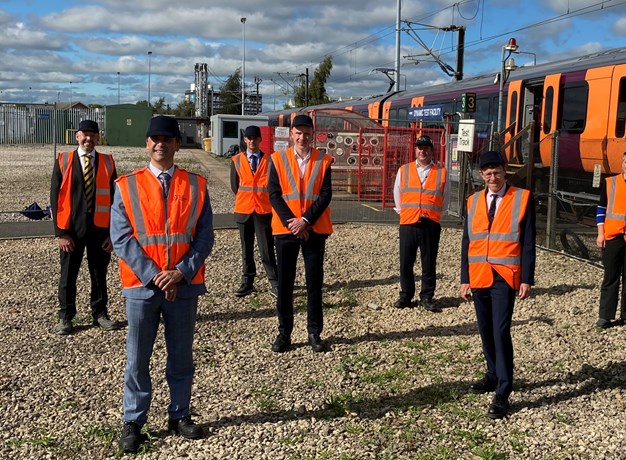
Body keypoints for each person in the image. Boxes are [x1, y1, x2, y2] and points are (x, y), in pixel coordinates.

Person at [110, 116, 214, 453]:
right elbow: (122, 238)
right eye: (154, 138)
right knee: (137, 359)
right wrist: (156, 275)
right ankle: (134, 421)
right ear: (147, 143)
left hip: (183, 287)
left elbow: (204, 236)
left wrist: (181, 272)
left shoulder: (196, 185)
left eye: (167, 139)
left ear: (177, 144)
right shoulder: (126, 185)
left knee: (181, 356)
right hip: (143, 288)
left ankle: (179, 414)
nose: (160, 144)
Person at [459, 150, 536, 419]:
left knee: (500, 330)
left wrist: (527, 278)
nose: (493, 177)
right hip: (479, 274)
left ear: (505, 171)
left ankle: (504, 389)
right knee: (485, 329)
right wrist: (464, 278)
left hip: (505, 275)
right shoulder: (473, 201)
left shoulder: (522, 198)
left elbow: (528, 241)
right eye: (488, 173)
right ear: (481, 175)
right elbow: (467, 242)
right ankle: (492, 374)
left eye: (497, 172)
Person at [268, 114, 333, 353]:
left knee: (314, 284)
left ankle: (314, 332)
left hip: (314, 229)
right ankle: (284, 333)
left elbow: (326, 195)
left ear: (311, 135)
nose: (302, 137)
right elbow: (274, 195)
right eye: (298, 133)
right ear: (291, 134)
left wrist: (305, 221)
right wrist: (292, 223)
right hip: (285, 231)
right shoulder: (277, 159)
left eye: (306, 133)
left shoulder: (323, 160)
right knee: (285, 284)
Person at [50, 119, 119, 335]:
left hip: (100, 229)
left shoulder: (108, 162)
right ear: (77, 136)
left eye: (93, 135)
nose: (89, 138)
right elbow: (54, 198)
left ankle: (99, 314)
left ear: (98, 137)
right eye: (84, 134)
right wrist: (60, 233)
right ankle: (65, 317)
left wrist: (113, 233)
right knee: (68, 274)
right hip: (71, 230)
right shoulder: (63, 160)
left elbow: (116, 200)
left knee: (99, 274)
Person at [393, 134, 448, 311]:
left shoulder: (441, 171)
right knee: (406, 262)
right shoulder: (404, 169)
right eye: (419, 147)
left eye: (425, 148)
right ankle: (406, 295)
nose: (422, 151)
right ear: (415, 150)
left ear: (431, 150)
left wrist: (435, 212)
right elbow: (397, 193)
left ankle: (427, 296)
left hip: (430, 223)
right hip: (408, 222)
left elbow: (445, 199)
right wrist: (404, 212)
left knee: (429, 262)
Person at [230, 125, 279, 298]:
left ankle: (275, 282)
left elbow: (274, 186)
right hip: (243, 210)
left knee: (266, 249)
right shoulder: (236, 160)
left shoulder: (270, 160)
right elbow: (235, 186)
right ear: (245, 140)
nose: (251, 141)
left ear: (260, 140)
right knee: (246, 249)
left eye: (255, 138)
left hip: (263, 211)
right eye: (248, 138)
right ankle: (247, 282)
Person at [595, 151, 626, 329]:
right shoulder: (610, 183)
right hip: (613, 237)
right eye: (625, 161)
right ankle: (605, 316)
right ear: (622, 163)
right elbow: (601, 209)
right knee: (610, 277)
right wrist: (601, 233)